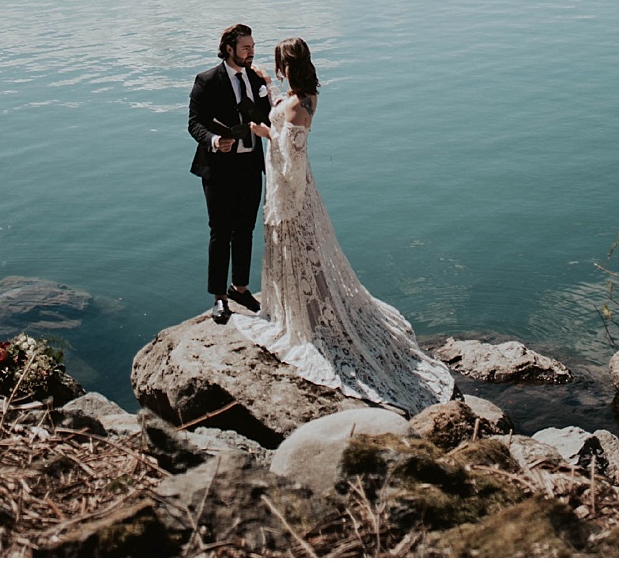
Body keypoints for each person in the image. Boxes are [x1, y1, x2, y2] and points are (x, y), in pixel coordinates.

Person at [237, 37, 454, 413]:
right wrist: (268, 87)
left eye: (277, 65)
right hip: (305, 189)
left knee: (298, 248)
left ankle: (304, 318)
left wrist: (265, 134)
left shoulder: (294, 107)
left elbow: (290, 160)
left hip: (291, 193)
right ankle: (309, 307)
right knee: (311, 250)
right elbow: (284, 115)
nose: (275, 69)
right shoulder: (307, 97)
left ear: (286, 66)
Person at [187, 22, 273, 325]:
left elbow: (268, 116)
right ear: (228, 49)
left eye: (253, 47)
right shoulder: (207, 80)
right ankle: (219, 297)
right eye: (246, 47)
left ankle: (240, 288)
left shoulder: (255, 78)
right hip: (218, 167)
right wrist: (214, 140)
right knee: (220, 232)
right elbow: (194, 123)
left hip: (250, 164)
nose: (251, 52)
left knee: (246, 229)